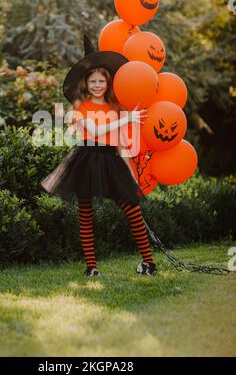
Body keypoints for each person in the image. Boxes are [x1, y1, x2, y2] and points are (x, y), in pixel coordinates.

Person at [40, 35, 157, 277]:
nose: (96, 85)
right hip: (86, 158)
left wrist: (130, 168)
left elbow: (121, 140)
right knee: (85, 214)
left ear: (107, 82)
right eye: (92, 81)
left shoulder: (116, 106)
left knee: (132, 208)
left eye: (101, 81)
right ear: (86, 83)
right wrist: (125, 119)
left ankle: (148, 263)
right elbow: (94, 132)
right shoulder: (80, 107)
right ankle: (91, 267)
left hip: (110, 160)